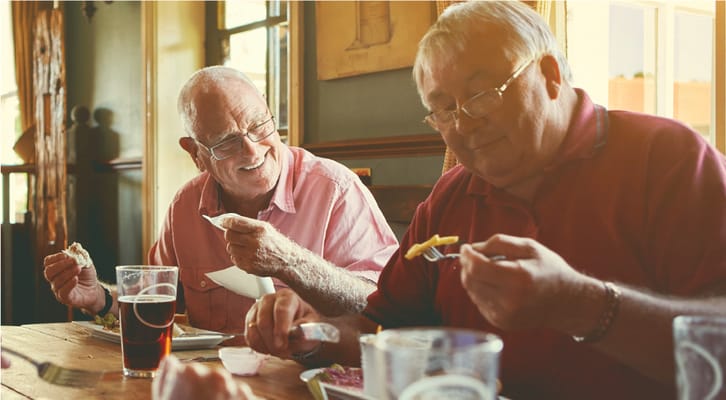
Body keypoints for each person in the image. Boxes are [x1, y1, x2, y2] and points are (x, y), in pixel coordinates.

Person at [239, 2, 726, 400]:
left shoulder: (666, 159)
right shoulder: (452, 195)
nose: (464, 125)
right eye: (443, 110)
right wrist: (314, 334)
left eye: (482, 95)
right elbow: (383, 329)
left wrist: (578, 303)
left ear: (551, 74)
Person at [43, 66, 398, 342]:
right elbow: (157, 310)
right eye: (227, 143)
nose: (253, 150)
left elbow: (385, 307)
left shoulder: (335, 190)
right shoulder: (185, 206)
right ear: (196, 153)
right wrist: (99, 298)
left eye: (259, 125)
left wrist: (290, 261)